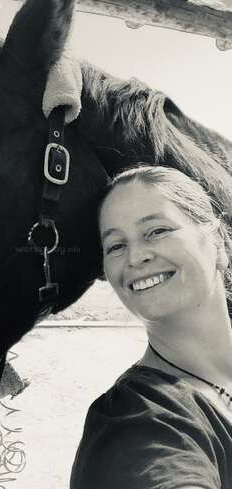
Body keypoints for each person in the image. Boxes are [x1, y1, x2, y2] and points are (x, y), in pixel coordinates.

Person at [70, 165, 232, 489]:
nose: (136, 257)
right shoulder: (139, 423)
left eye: (157, 231)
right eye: (115, 246)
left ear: (218, 245)